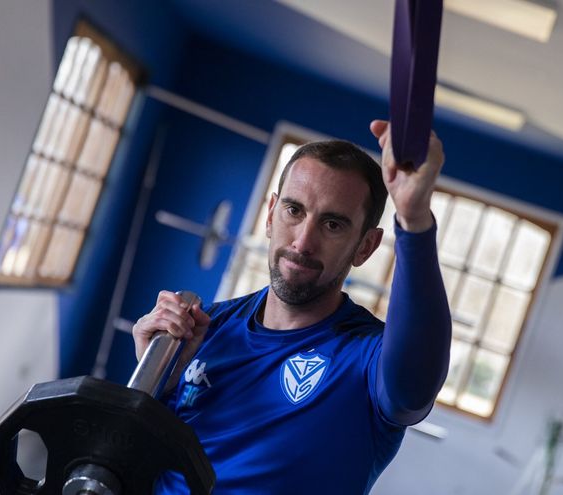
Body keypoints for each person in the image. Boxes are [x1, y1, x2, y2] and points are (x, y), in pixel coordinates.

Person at [132, 120, 452, 494]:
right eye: (294, 210)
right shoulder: (204, 327)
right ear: (271, 215)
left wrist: (414, 221)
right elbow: (135, 461)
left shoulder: (366, 359)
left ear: (365, 246)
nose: (303, 242)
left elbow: (412, 389)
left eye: (332, 225)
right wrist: (155, 380)